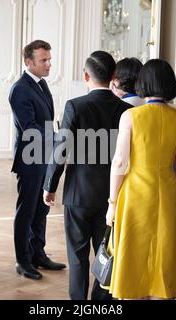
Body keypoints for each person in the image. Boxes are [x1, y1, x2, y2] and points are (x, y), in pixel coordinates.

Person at [105, 59, 176, 300]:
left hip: (135, 194)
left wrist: (112, 203)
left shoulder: (131, 116)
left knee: (134, 254)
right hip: (169, 193)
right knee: (163, 254)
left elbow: (120, 162)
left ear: (142, 83)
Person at [43, 51, 131, 300]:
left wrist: (50, 185)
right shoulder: (127, 111)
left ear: (86, 76)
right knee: (108, 254)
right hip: (113, 195)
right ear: (114, 77)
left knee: (78, 257)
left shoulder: (75, 106)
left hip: (79, 194)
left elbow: (61, 150)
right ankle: (102, 302)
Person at [9, 40, 66, 281]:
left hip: (45, 156)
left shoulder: (41, 84)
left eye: (49, 59)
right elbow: (30, 128)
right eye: (44, 60)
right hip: (30, 158)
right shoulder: (20, 89)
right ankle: (22, 260)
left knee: (41, 208)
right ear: (28, 62)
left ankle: (37, 254)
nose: (49, 64)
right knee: (26, 210)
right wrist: (57, 137)